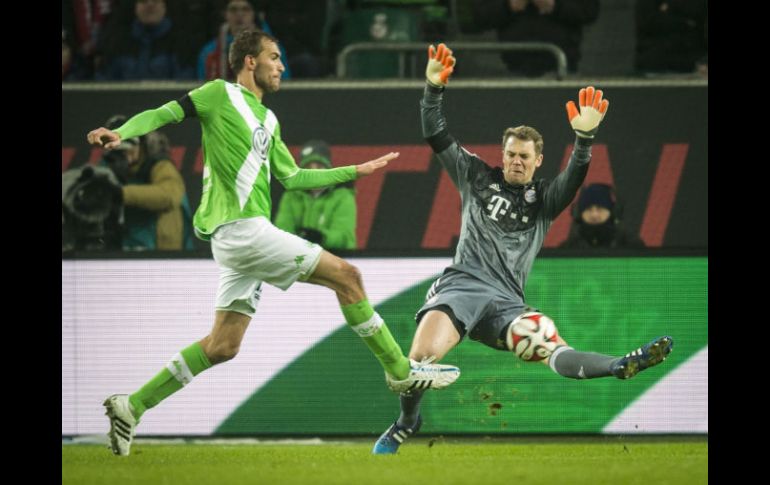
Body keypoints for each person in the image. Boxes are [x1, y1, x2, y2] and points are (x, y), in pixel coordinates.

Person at [86, 29, 459, 456]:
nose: (281, 66)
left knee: (223, 346)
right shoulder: (219, 94)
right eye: (274, 58)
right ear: (250, 61)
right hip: (242, 230)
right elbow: (165, 113)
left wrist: (354, 171)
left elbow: (293, 178)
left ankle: (131, 406)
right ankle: (400, 371)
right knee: (348, 277)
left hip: (242, 237)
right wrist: (124, 133)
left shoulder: (269, 120)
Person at [371, 43, 674, 454]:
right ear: (503, 154)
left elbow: (575, 177)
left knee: (552, 346)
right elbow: (434, 131)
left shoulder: (546, 199)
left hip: (507, 305)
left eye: (524, 157)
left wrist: (584, 140)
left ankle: (619, 365)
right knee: (419, 360)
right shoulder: (475, 175)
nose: (516, 161)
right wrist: (432, 89)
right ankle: (408, 420)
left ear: (538, 160)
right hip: (463, 287)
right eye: (511, 154)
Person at [101, 115, 194, 251]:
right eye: (118, 152)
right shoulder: (107, 168)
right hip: (123, 250)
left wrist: (122, 193)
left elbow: (170, 195)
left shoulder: (159, 166)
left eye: (129, 149)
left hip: (164, 252)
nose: (126, 156)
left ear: (140, 145)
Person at [471, 0, 599, 77]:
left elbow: (589, 10)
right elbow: (479, 16)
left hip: (562, 69)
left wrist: (555, 6)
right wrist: (509, 6)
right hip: (509, 71)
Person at [274, 140, 357, 250]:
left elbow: (344, 238)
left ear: (329, 169)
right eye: (308, 167)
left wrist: (321, 237)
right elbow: (281, 235)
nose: (314, 172)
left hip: (335, 260)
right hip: (299, 260)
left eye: (319, 166)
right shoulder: (291, 196)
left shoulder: (343, 196)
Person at [560, 183, 646, 249]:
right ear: (578, 214)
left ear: (613, 212)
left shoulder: (631, 246)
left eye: (600, 208)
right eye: (589, 209)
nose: (594, 214)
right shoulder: (567, 248)